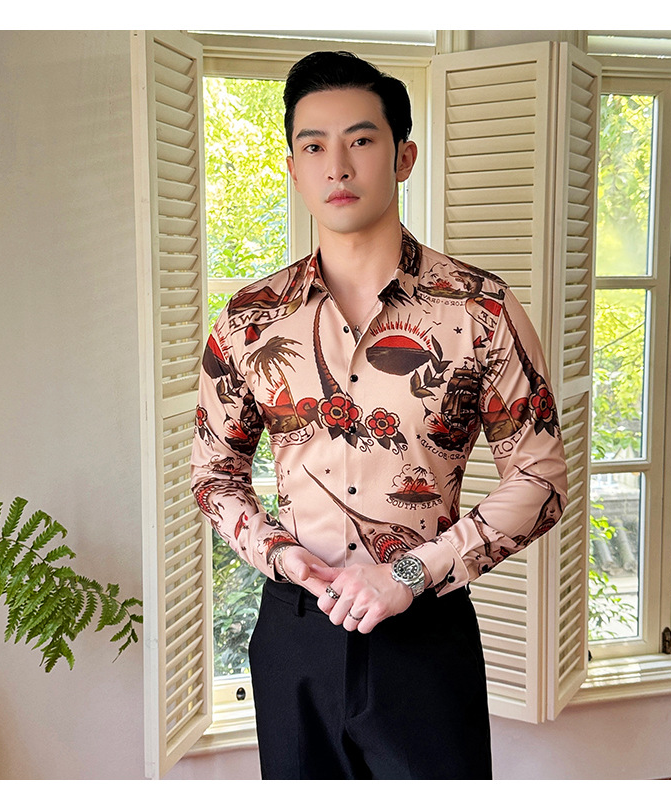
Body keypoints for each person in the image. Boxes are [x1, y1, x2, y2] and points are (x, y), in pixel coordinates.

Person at [191, 50, 568, 780]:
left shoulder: (480, 309)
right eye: (313, 146)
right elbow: (215, 473)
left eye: (360, 140)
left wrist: (411, 573)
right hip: (295, 635)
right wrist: (277, 553)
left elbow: (541, 479)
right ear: (293, 167)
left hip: (424, 632)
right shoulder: (249, 319)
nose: (336, 166)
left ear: (403, 157)